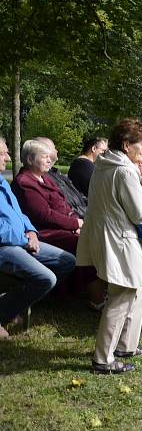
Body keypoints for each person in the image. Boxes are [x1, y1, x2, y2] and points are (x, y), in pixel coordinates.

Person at [77, 119, 142, 374]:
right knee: (121, 297)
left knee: (135, 290)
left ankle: (127, 345)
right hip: (120, 240)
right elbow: (141, 216)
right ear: (126, 145)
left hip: (110, 236)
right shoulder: (124, 172)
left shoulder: (105, 166)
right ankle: (103, 358)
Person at [12, 140, 104, 308]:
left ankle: (92, 289)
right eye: (44, 157)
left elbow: (63, 205)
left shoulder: (45, 179)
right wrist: (75, 224)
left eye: (49, 157)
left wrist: (75, 224)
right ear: (30, 160)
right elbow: (44, 215)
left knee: (94, 237)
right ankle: (95, 298)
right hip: (43, 232)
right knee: (84, 243)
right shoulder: (25, 182)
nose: (49, 160)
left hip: (63, 226)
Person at [0, 137, 76, 338]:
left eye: (6, 152)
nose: (7, 158)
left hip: (24, 239)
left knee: (67, 261)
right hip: (5, 246)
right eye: (2, 154)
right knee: (46, 278)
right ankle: (4, 311)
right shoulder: (23, 181)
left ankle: (16, 302)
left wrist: (31, 231)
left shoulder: (2, 182)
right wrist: (26, 240)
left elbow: (20, 214)